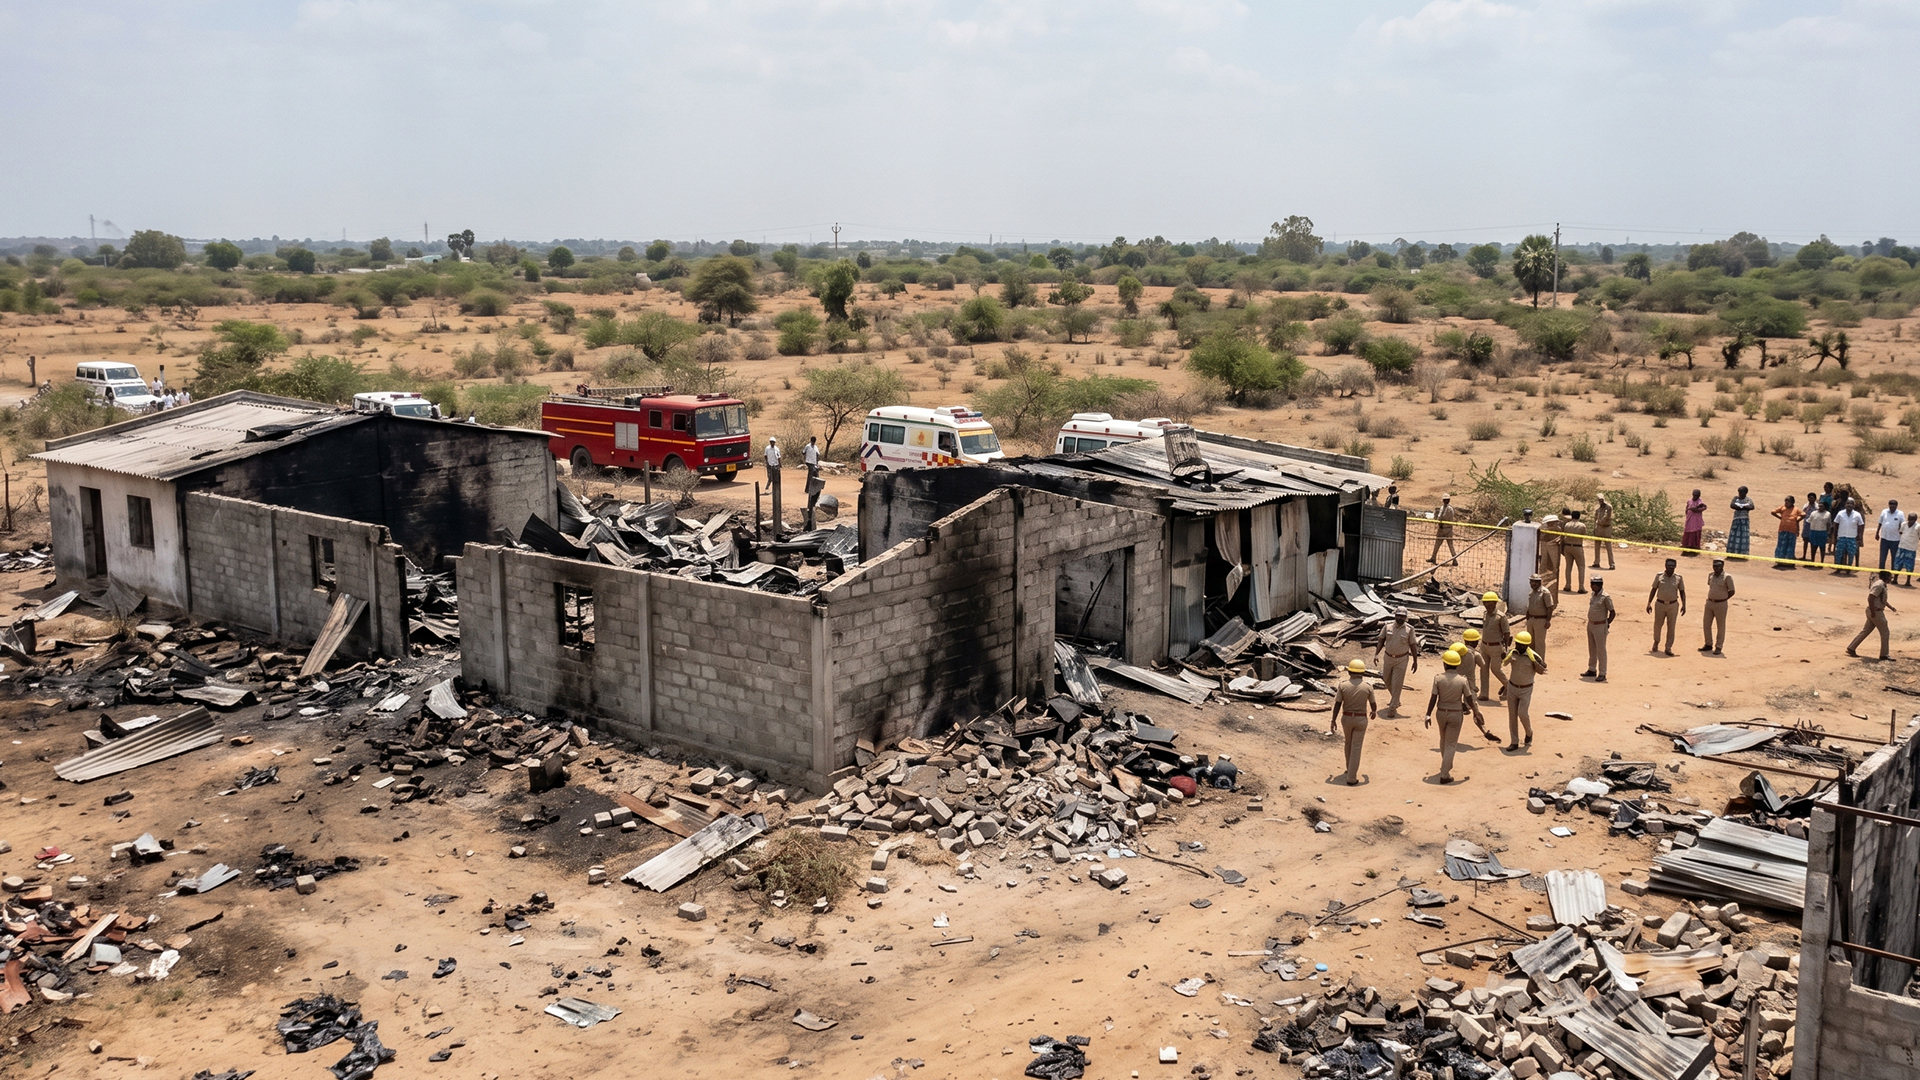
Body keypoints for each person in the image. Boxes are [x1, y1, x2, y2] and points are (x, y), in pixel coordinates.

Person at [1424, 649, 1485, 784]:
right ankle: (1445, 774)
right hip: (1456, 714)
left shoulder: (1438, 678)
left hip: (1440, 712)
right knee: (1451, 744)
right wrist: (1476, 712)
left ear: (1444, 664)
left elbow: (1433, 697)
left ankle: (1446, 765)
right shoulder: (1462, 680)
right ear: (1457, 665)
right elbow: (1469, 699)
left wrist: (1428, 714)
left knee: (1443, 739)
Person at [1329, 658, 1377, 785]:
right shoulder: (1367, 687)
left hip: (1347, 718)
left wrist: (1333, 720)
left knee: (1348, 743)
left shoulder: (1343, 685)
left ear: (1349, 672)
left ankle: (1349, 768)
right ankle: (1351, 777)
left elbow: (1338, 704)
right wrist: (1373, 712)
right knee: (1356, 747)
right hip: (1361, 719)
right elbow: (1373, 704)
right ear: (1362, 673)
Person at [1503, 630, 1546, 751]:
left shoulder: (1533, 656)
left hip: (1526, 689)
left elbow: (1542, 670)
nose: (1518, 646)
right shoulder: (1513, 653)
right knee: (1512, 716)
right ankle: (1514, 742)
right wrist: (1505, 654)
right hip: (1512, 687)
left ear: (1527, 645)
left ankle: (1529, 732)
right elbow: (1504, 663)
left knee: (1522, 713)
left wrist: (1537, 662)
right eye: (1517, 644)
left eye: (1521, 645)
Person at [1375, 609, 1419, 718]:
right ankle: (1396, 699)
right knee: (1386, 679)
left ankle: (1392, 707)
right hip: (1388, 657)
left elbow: (1413, 645)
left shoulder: (1409, 629)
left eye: (1402, 616)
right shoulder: (1387, 626)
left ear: (1406, 617)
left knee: (1397, 683)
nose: (1400, 618)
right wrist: (1376, 654)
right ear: (1395, 615)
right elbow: (1381, 640)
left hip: (1401, 659)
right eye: (1398, 616)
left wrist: (1415, 660)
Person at [1847, 570, 1898, 660]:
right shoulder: (1879, 585)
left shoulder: (1882, 585)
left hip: (1874, 611)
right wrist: (1873, 611)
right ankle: (1884, 654)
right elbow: (1870, 598)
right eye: (1890, 577)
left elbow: (1883, 600)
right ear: (1886, 577)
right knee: (1885, 632)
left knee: (1865, 631)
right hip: (1876, 612)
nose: (1891, 579)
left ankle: (1851, 648)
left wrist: (1891, 607)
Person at [1476, 591, 1511, 703]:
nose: (1488, 606)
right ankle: (1484, 693)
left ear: (1495, 604)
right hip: (1484, 645)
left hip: (1496, 647)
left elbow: (1506, 634)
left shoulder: (1501, 617)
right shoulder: (1485, 614)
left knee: (1495, 669)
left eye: (1490, 604)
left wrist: (1506, 649)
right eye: (1486, 604)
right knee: (1483, 669)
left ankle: (1509, 687)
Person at [1647, 557, 1686, 656]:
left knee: (1671, 627)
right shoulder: (1659, 576)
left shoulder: (1678, 578)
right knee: (1657, 625)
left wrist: (1684, 605)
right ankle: (1656, 642)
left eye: (1673, 566)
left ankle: (1668, 647)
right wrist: (1649, 603)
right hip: (1660, 604)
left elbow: (1682, 592)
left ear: (1675, 567)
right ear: (1665, 566)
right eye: (1669, 566)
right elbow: (1653, 589)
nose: (1670, 568)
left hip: (1673, 605)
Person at [1583, 575, 1616, 681]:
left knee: (1601, 650)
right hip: (1591, 625)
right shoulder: (1593, 594)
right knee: (1592, 648)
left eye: (1593, 585)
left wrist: (1607, 623)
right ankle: (1592, 669)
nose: (1591, 586)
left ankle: (1602, 672)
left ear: (1599, 585)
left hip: (1600, 626)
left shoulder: (1605, 597)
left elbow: (1612, 612)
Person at [1702, 557, 1735, 655]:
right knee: (1706, 624)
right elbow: (1710, 586)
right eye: (1714, 566)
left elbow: (1732, 591)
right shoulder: (1710, 575)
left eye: (1718, 566)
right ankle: (1708, 644)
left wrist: (1723, 598)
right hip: (1710, 603)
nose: (1716, 568)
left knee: (1720, 626)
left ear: (1722, 566)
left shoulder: (1727, 577)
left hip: (1721, 604)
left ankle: (1719, 646)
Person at [1525, 573, 1556, 660]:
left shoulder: (1545, 593)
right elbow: (1529, 606)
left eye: (1535, 582)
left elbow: (1550, 607)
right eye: (1531, 582)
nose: (1532, 584)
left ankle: (1540, 661)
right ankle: (1531, 660)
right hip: (1531, 619)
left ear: (1539, 583)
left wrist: (1548, 621)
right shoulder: (1531, 593)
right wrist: (1527, 618)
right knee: (1530, 642)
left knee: (1539, 643)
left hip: (1540, 620)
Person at [1537, 511, 1564, 604]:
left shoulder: (1558, 530)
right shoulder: (1543, 531)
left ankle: (1553, 599)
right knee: (1544, 573)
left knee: (1554, 574)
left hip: (1553, 557)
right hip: (1544, 556)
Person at [1560, 509, 1588, 593]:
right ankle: (1581, 587)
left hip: (1567, 547)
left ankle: (1567, 585)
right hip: (1577, 547)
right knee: (1581, 567)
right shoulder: (1582, 525)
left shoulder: (1567, 525)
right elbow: (1584, 534)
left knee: (1568, 567)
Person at [1834, 498, 1865, 573]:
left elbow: (1861, 526)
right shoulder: (1840, 513)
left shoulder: (1857, 515)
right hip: (1841, 537)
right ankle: (1838, 568)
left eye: (1851, 503)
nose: (1849, 505)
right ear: (1845, 505)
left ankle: (1848, 569)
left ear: (1853, 505)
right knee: (1839, 553)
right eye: (1848, 503)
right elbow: (1836, 524)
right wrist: (1835, 536)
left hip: (1852, 538)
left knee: (1851, 554)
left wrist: (1860, 537)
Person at [1771, 495, 1802, 569]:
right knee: (1781, 545)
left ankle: (1789, 562)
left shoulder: (1796, 509)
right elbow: (1773, 512)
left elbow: (1803, 514)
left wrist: (1797, 520)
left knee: (1790, 545)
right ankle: (1780, 561)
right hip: (1782, 529)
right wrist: (1780, 518)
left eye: (1788, 501)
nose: (1786, 503)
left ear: (1792, 502)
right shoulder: (1782, 507)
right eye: (1785, 501)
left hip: (1792, 530)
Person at [1428, 495, 1459, 564]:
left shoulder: (1447, 508)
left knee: (1444, 544)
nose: (1445, 501)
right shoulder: (1449, 508)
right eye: (1445, 500)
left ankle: (1454, 560)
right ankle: (1434, 557)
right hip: (1448, 528)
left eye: (1446, 500)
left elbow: (1441, 517)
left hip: (1444, 528)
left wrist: (1440, 522)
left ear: (1448, 500)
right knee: (1443, 544)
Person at [1591, 493, 1616, 571]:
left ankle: (1612, 564)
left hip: (1606, 528)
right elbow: (1595, 518)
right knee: (1597, 546)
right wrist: (1595, 528)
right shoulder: (1597, 508)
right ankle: (1596, 562)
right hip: (1599, 528)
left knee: (1608, 547)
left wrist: (1600, 521)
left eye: (1601, 499)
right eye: (1599, 500)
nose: (1600, 501)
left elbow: (1607, 516)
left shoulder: (1608, 507)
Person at [1878, 500, 1905, 571]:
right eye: (1891, 504)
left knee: (1894, 557)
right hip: (1884, 538)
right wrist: (1877, 532)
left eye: (1894, 504)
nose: (1892, 506)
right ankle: (1881, 571)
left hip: (1895, 540)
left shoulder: (1900, 514)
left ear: (1896, 506)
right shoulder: (1884, 512)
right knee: (1882, 556)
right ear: (1888, 505)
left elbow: (1902, 525)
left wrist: (1902, 535)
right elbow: (1880, 522)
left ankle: (1893, 571)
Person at [1728, 487, 1755, 558]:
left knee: (1743, 536)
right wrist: (1744, 507)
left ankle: (1742, 553)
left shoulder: (1748, 499)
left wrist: (1740, 507)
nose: (1740, 494)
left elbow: (1752, 507)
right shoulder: (1736, 498)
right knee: (1734, 535)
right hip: (1736, 520)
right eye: (1739, 492)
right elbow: (1732, 505)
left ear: (1745, 493)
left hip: (1744, 520)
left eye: (1741, 492)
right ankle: (1732, 552)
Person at [1805, 499, 1832, 566]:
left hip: (1822, 532)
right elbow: (1809, 522)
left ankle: (1822, 562)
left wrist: (1828, 534)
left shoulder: (1828, 514)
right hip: (1813, 532)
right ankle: (1812, 561)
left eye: (1821, 506)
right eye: (1819, 506)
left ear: (1825, 507)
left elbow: (1829, 525)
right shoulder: (1813, 513)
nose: (1819, 508)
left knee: (1822, 548)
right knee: (1813, 547)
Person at [1899, 512, 1920, 587]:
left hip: (1911, 548)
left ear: (1915, 519)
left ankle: (1908, 581)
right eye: (1909, 519)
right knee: (1898, 563)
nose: (1910, 521)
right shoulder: (1904, 524)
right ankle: (1895, 579)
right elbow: (1901, 532)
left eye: (1912, 519)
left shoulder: (1918, 527)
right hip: (1902, 546)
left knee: (1909, 566)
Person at [1683, 489, 1707, 554]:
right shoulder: (1689, 501)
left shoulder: (1700, 502)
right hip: (1689, 520)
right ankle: (1686, 547)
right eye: (1694, 494)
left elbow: (1703, 508)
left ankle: (1694, 548)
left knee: (1695, 533)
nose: (1695, 496)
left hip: (1696, 521)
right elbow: (1686, 508)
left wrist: (1694, 509)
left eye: (1697, 495)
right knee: (1688, 532)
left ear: (1699, 495)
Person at [1799, 492, 1819, 561]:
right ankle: (1804, 555)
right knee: (1805, 541)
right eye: (1810, 498)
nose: (1811, 500)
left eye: (1812, 498)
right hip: (1806, 525)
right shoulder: (1806, 506)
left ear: (1815, 499)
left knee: (1812, 543)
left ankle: (1812, 558)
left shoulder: (1817, 507)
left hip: (1813, 526)